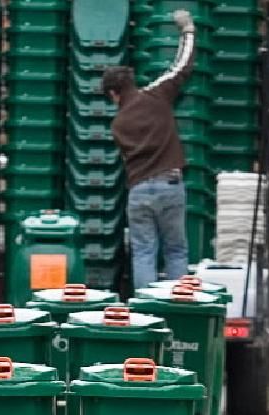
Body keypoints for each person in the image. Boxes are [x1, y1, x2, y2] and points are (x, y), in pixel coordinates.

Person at [103, 9, 196, 291]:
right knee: (176, 251)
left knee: (144, 253)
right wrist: (188, 30)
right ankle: (179, 307)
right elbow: (182, 67)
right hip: (170, 184)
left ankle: (148, 310)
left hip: (139, 191)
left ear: (112, 94)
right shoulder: (157, 95)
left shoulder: (118, 124)